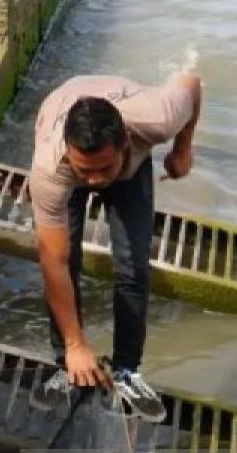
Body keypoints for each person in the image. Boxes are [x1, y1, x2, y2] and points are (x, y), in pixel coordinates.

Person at [29, 74, 202, 421]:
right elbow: (54, 263)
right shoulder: (51, 168)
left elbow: (192, 83)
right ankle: (67, 363)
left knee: (133, 263)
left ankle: (126, 371)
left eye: (103, 169)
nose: (95, 180)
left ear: (125, 142)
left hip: (131, 168)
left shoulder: (157, 119)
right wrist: (77, 345)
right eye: (86, 171)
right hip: (62, 130)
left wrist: (183, 149)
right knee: (66, 258)